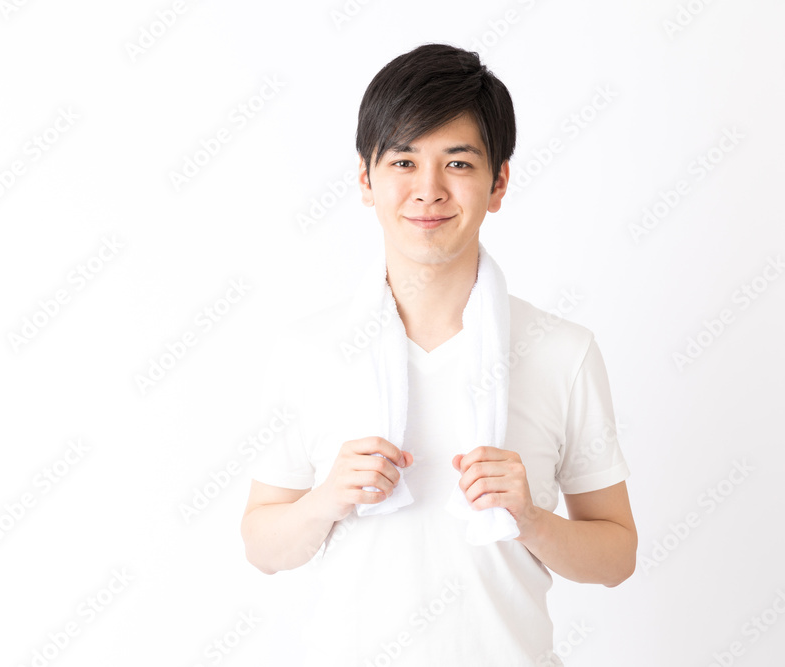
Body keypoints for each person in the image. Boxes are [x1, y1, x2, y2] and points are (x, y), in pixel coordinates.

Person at [240, 42, 636, 665]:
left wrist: (530, 517)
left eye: (457, 163)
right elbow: (262, 546)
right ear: (366, 180)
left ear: (498, 181)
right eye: (403, 161)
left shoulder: (564, 353)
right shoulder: (307, 352)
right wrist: (327, 499)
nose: (428, 191)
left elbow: (617, 556)